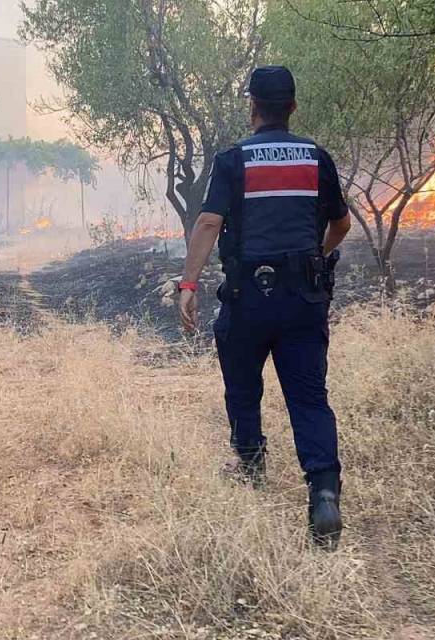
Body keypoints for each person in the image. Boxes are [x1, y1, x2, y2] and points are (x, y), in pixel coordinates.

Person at [177, 66, 352, 549]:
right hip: (304, 300)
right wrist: (314, 256)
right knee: (309, 398)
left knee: (242, 385)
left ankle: (250, 465)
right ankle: (323, 492)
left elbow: (209, 223)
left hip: (249, 296)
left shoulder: (233, 159)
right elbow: (341, 224)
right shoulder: (317, 158)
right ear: (292, 107)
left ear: (252, 105)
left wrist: (188, 283)